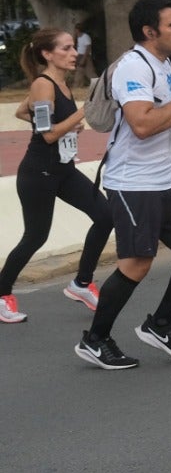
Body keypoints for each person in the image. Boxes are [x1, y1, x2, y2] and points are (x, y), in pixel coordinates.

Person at [73, 0, 171, 370]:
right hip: (133, 183)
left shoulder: (162, 63)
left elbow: (155, 111)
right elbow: (140, 125)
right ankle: (95, 339)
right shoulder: (132, 68)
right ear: (148, 32)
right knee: (137, 264)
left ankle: (160, 324)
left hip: (166, 179)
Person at [0, 28, 113, 324]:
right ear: (47, 54)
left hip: (63, 170)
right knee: (35, 237)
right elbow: (47, 135)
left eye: (73, 47)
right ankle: (2, 294)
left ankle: (82, 283)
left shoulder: (60, 83)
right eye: (66, 48)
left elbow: (23, 113)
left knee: (105, 216)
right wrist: (82, 113)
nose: (74, 53)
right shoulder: (43, 83)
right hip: (39, 171)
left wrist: (69, 123)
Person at [71, 23, 95, 89]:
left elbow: (88, 48)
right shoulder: (78, 38)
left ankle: (98, 85)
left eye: (75, 29)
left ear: (78, 30)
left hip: (86, 56)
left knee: (90, 73)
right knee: (78, 73)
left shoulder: (85, 37)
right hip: (79, 56)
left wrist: (84, 59)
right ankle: (77, 88)